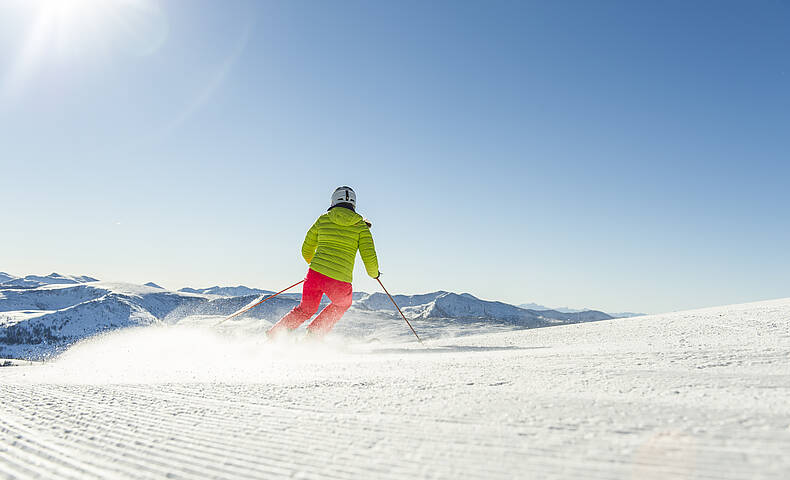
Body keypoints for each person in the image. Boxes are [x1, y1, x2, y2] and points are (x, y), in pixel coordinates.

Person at [267, 186, 379, 339]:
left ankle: (275, 335)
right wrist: (374, 274)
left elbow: (306, 249)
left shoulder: (323, 219)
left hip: (314, 275)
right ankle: (313, 335)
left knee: (305, 309)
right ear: (353, 204)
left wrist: (317, 267)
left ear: (333, 201)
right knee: (342, 304)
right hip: (340, 281)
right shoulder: (361, 227)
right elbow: (369, 256)